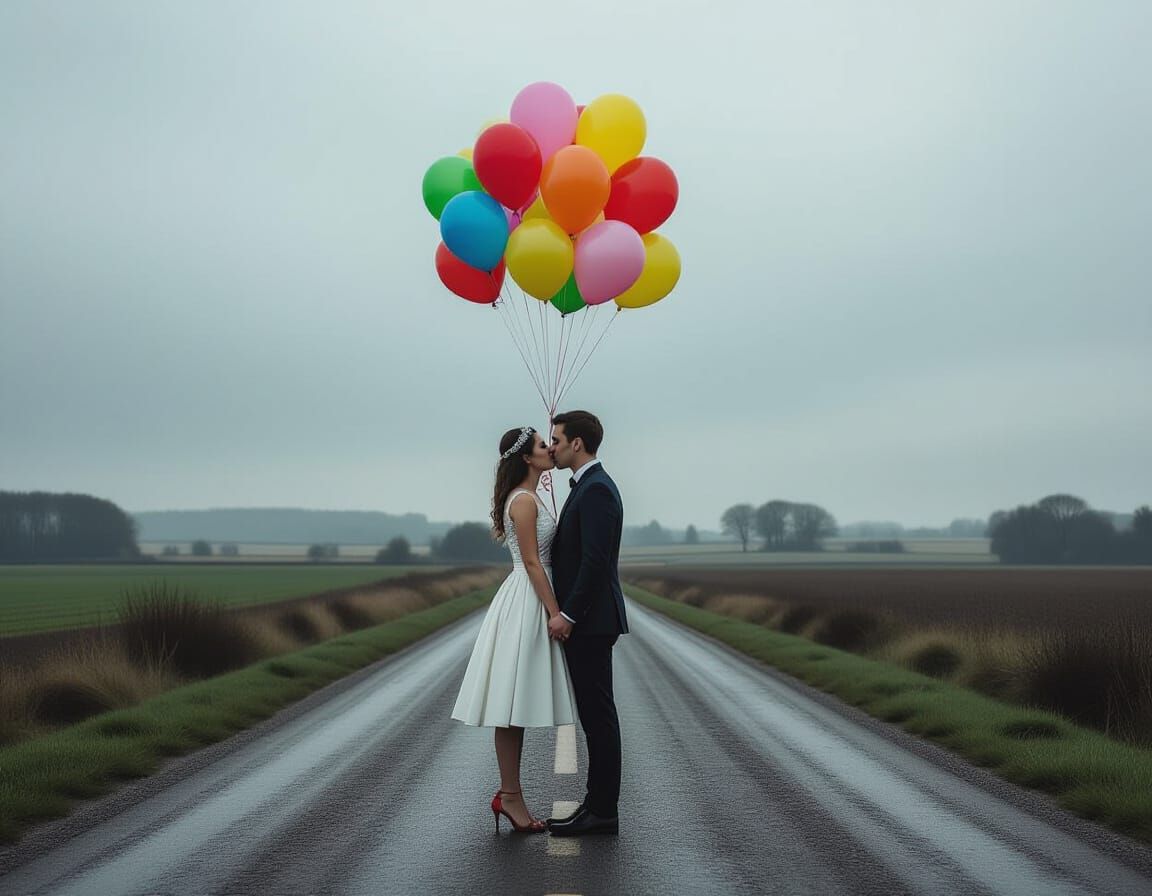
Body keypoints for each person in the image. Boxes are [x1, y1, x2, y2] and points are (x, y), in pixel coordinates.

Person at [450, 426, 577, 834]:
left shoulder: (532, 495)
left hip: (531, 594)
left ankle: (509, 795)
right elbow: (533, 563)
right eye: (543, 445)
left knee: (515, 705)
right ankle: (509, 796)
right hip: (527, 599)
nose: (550, 449)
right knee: (510, 707)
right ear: (526, 458)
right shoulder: (522, 501)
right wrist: (556, 612)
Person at [545, 410, 628, 837]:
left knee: (599, 717)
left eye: (556, 439)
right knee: (595, 716)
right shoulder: (589, 487)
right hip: (592, 620)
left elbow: (595, 563)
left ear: (577, 443)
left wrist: (568, 615)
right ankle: (595, 806)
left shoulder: (595, 490)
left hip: (592, 622)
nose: (552, 446)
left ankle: (603, 811)